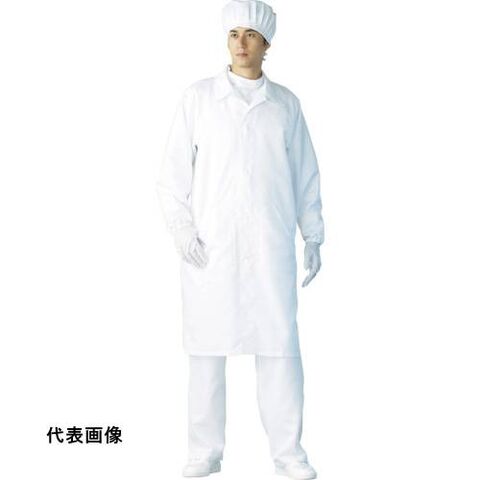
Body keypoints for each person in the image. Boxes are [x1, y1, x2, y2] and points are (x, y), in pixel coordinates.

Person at [156, 1, 325, 478]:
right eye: (234, 34)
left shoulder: (285, 105)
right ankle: (203, 452)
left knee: (279, 349)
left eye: (251, 35)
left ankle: (289, 453)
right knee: (207, 353)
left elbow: (305, 175)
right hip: (211, 250)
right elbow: (171, 177)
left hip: (269, 246)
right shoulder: (199, 98)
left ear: (267, 43)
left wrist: (313, 234)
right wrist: (182, 230)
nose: (241, 43)